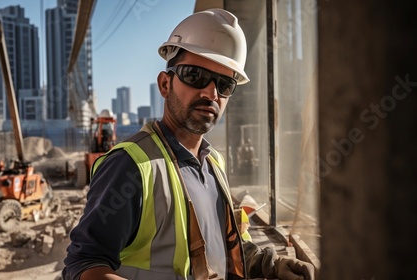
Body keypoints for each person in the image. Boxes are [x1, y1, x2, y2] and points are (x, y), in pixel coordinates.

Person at [63, 8, 315, 280]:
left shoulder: (213, 163)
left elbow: (219, 245)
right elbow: (84, 266)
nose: (211, 92)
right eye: (195, 75)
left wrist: (271, 265)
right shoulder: (131, 167)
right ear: (164, 84)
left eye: (225, 84)